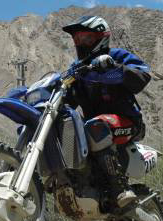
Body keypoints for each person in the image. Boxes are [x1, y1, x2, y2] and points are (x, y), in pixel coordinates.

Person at [62, 15, 151, 208]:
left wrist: (114, 67)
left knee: (96, 124)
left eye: (85, 38)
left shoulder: (117, 56)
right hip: (96, 130)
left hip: (128, 123)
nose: (80, 43)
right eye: (76, 39)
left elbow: (142, 76)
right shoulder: (78, 70)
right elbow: (66, 98)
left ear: (100, 37)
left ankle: (120, 189)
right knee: (65, 126)